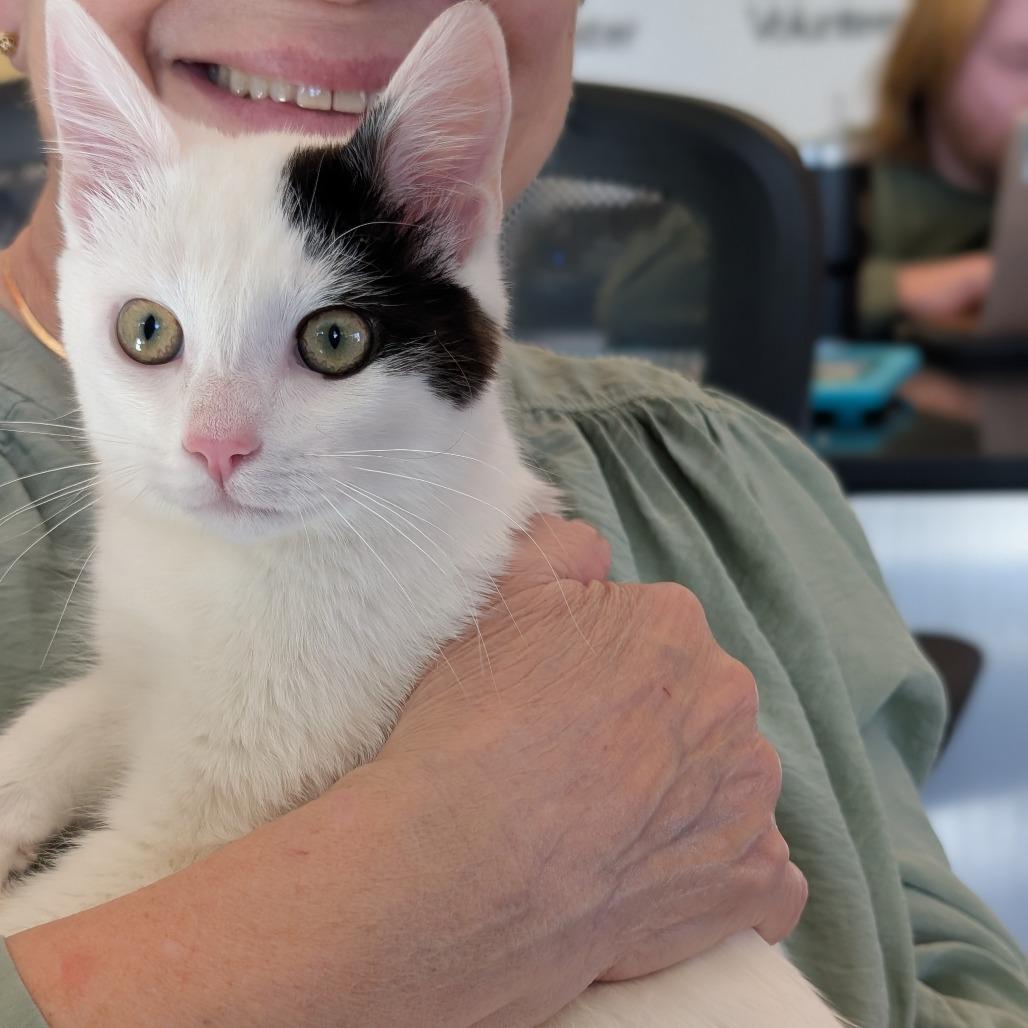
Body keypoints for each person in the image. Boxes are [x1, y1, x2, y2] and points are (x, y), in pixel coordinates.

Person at [0, 2, 1026, 1026]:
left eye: (329, 342)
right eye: (150, 334)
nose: (213, 440)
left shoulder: (742, 476)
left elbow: (948, 978)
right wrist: (453, 887)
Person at [860, 0, 1028, 337]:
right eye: (1021, 61)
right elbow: (745, 291)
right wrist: (896, 290)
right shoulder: (835, 193)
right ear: (934, 64)